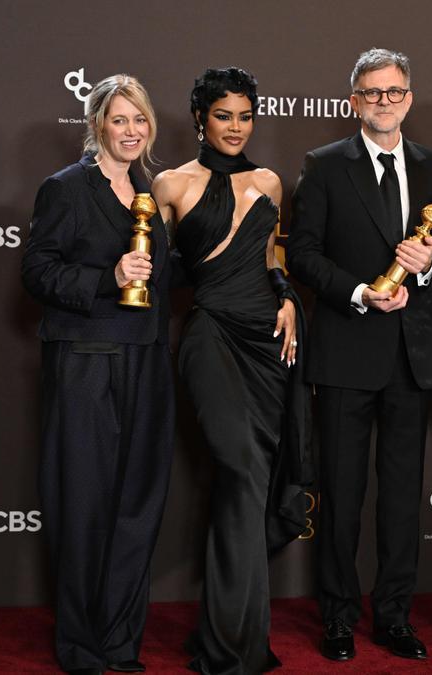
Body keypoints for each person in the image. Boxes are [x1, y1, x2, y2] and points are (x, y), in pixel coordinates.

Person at [287, 48, 432, 663]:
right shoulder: (325, 165)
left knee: (399, 496)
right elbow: (303, 254)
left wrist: (430, 266)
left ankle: (393, 616)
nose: (383, 102)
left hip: (411, 358)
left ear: (408, 98)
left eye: (393, 92)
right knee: (340, 494)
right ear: (353, 100)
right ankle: (337, 617)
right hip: (345, 352)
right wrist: (361, 292)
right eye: (370, 92)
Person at [152, 66, 312, 675]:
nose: (236, 128)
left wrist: (290, 297)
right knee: (240, 470)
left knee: (250, 486)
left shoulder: (270, 181)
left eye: (246, 117)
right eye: (224, 116)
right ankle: (232, 645)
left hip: (268, 342)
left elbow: (274, 253)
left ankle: (226, 635)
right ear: (200, 117)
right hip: (212, 335)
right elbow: (160, 270)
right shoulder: (169, 185)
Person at [22, 75, 174, 675]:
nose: (131, 131)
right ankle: (81, 645)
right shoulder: (65, 188)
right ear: (96, 125)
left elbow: (168, 273)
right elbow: (37, 271)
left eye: (140, 120)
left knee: (136, 505)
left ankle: (118, 641)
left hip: (147, 358)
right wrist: (105, 278)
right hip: (86, 361)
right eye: (119, 120)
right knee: (84, 502)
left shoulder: (146, 189)